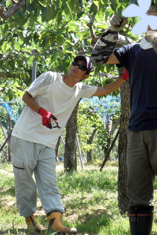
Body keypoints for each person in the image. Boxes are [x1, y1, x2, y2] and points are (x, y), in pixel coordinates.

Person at [90, 3, 157, 235]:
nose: (145, 15)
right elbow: (98, 57)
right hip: (137, 130)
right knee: (137, 198)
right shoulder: (133, 50)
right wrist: (112, 29)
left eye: (152, 11)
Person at [11, 55, 128, 234]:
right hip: (25, 137)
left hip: (48, 144)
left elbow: (104, 89)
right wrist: (43, 112)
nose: (75, 66)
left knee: (50, 183)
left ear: (85, 76)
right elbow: (26, 96)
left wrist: (124, 77)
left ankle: (56, 223)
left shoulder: (80, 89)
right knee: (25, 183)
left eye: (81, 67)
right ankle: (30, 222)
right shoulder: (50, 77)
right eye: (75, 63)